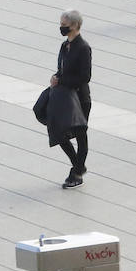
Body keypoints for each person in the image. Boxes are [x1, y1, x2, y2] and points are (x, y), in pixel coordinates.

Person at [51, 10, 92, 188]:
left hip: (80, 99)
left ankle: (76, 174)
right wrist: (56, 77)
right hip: (65, 97)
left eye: (64, 25)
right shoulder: (64, 45)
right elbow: (61, 68)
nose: (61, 27)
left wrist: (61, 80)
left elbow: (85, 77)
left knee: (81, 136)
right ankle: (78, 165)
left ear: (75, 26)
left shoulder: (83, 48)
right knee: (59, 134)